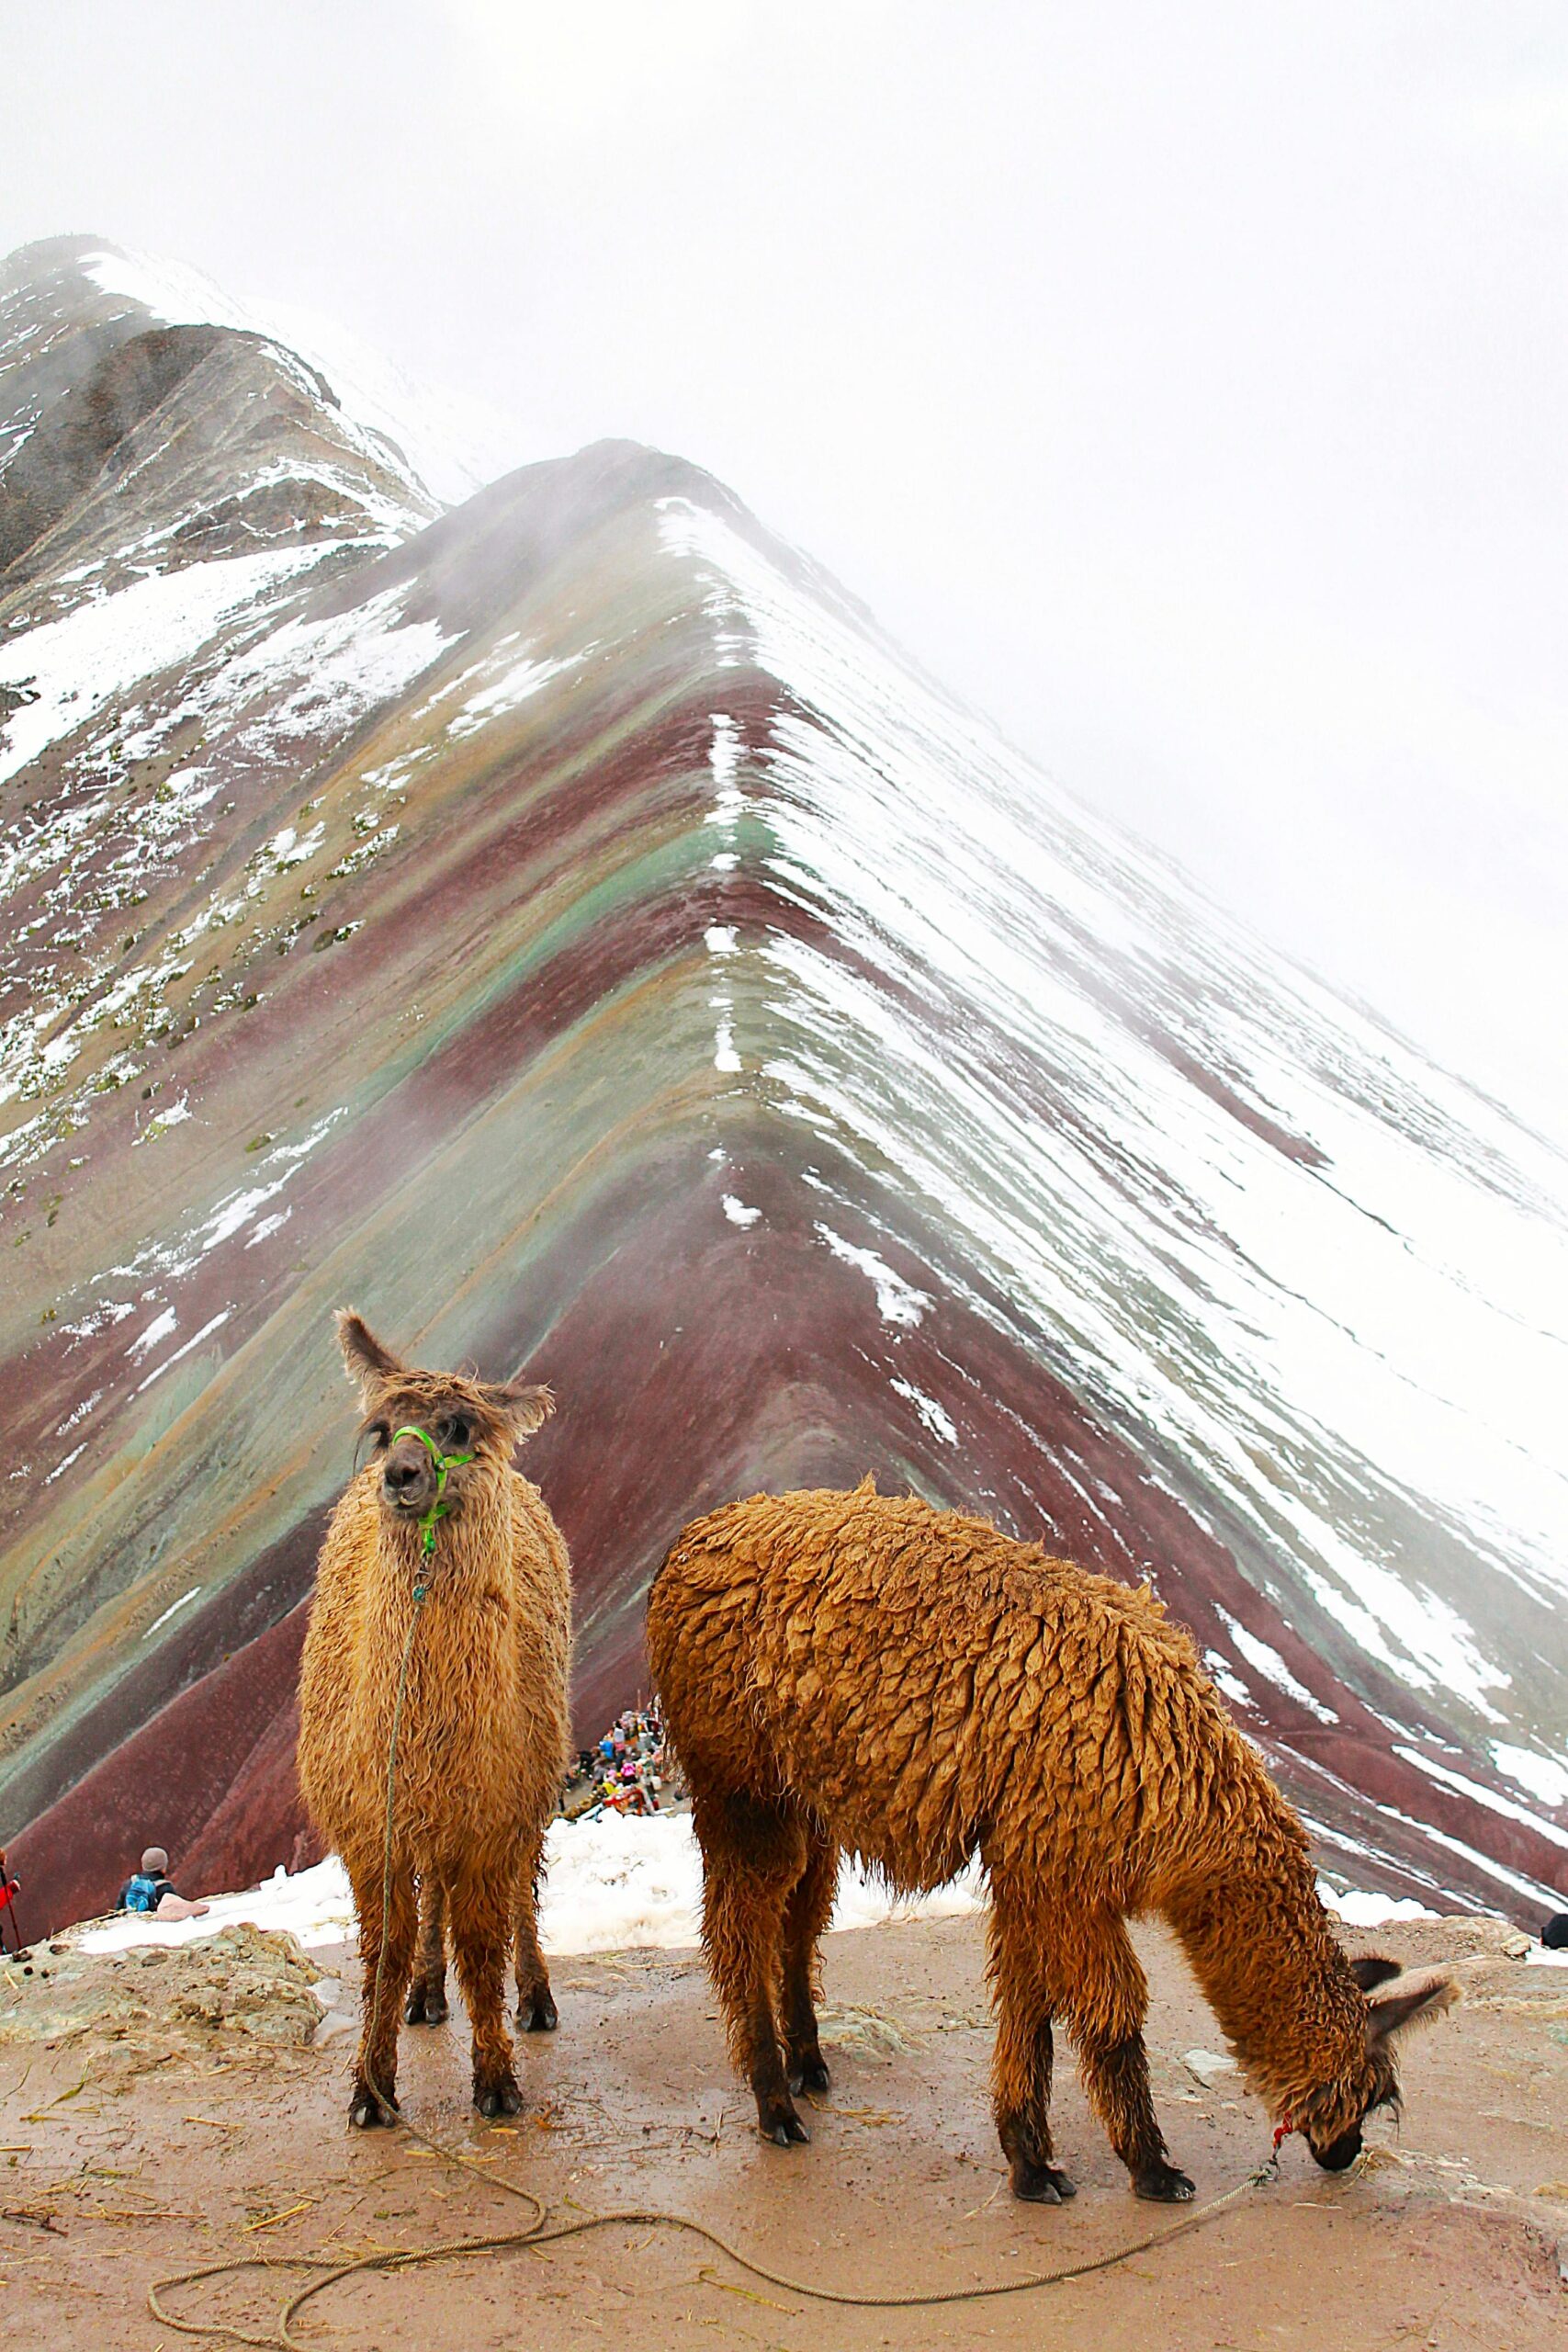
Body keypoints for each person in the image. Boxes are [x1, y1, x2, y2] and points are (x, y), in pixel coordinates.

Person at [117, 1846, 210, 1921]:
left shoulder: (128, 1884)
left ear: (143, 1865)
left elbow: (118, 1912)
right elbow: (176, 1912)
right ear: (163, 1868)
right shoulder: (165, 1888)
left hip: (129, 1926)